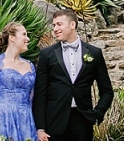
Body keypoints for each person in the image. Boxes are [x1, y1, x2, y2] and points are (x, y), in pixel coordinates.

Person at [32, 8, 114, 141]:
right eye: (54, 25)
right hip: (54, 121)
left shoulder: (94, 53)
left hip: (83, 121)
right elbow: (40, 92)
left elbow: (107, 91)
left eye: (59, 24)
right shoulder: (47, 54)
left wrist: (97, 114)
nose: (55, 29)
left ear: (72, 25)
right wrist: (40, 128)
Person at [0, 22, 38, 141]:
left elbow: (31, 100)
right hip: (2, 118)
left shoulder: (30, 66)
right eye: (24, 34)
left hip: (25, 120)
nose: (28, 39)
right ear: (12, 38)